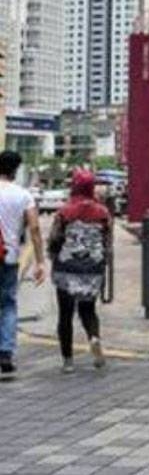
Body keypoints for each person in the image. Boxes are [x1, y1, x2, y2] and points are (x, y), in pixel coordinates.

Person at [47, 169, 112, 373]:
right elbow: (107, 242)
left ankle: (68, 361)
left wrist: (52, 256)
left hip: (67, 268)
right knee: (88, 310)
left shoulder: (64, 212)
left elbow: (55, 238)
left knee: (65, 315)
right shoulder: (103, 213)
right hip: (92, 268)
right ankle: (94, 337)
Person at [0, 151, 46, 380]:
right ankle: (6, 353)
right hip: (8, 257)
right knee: (7, 304)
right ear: (15, 170)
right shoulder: (23, 195)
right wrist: (40, 261)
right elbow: (35, 229)